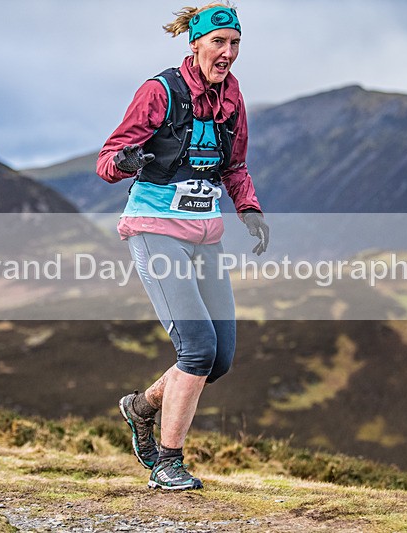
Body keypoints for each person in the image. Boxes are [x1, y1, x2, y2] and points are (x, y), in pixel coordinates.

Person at [96, 2, 269, 491]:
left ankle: (141, 407)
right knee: (196, 348)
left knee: (220, 358)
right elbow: (107, 159)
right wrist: (126, 162)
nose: (228, 53)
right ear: (195, 44)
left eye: (235, 44)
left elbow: (235, 166)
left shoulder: (233, 96)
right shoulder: (160, 91)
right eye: (219, 42)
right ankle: (167, 463)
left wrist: (249, 208)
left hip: (205, 234)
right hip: (155, 229)